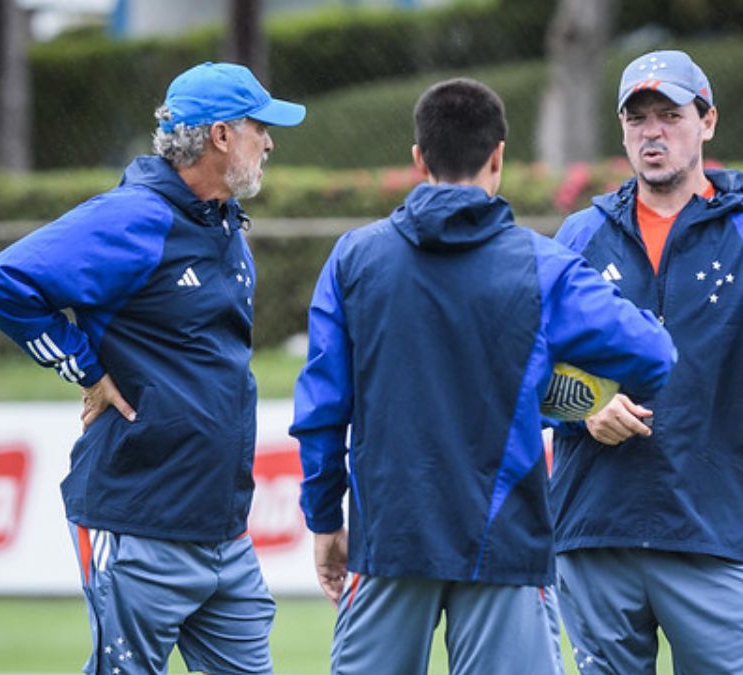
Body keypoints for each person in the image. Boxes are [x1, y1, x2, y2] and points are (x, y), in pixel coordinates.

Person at [289, 78, 677, 675]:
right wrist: (554, 394)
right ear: (498, 156)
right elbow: (654, 355)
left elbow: (321, 410)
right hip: (503, 541)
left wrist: (323, 518)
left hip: (390, 536)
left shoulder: (354, 258)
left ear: (419, 160)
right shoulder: (542, 264)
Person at [0, 61, 305, 675]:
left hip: (222, 531)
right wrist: (84, 368)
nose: (270, 142)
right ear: (221, 136)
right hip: (137, 524)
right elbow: (3, 280)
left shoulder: (224, 223)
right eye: (261, 127)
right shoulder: (136, 216)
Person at [549, 50, 743, 674]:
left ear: (707, 122)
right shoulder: (579, 237)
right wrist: (587, 411)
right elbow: (528, 372)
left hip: (713, 534)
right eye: (637, 119)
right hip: (596, 532)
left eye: (669, 114)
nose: (651, 132)